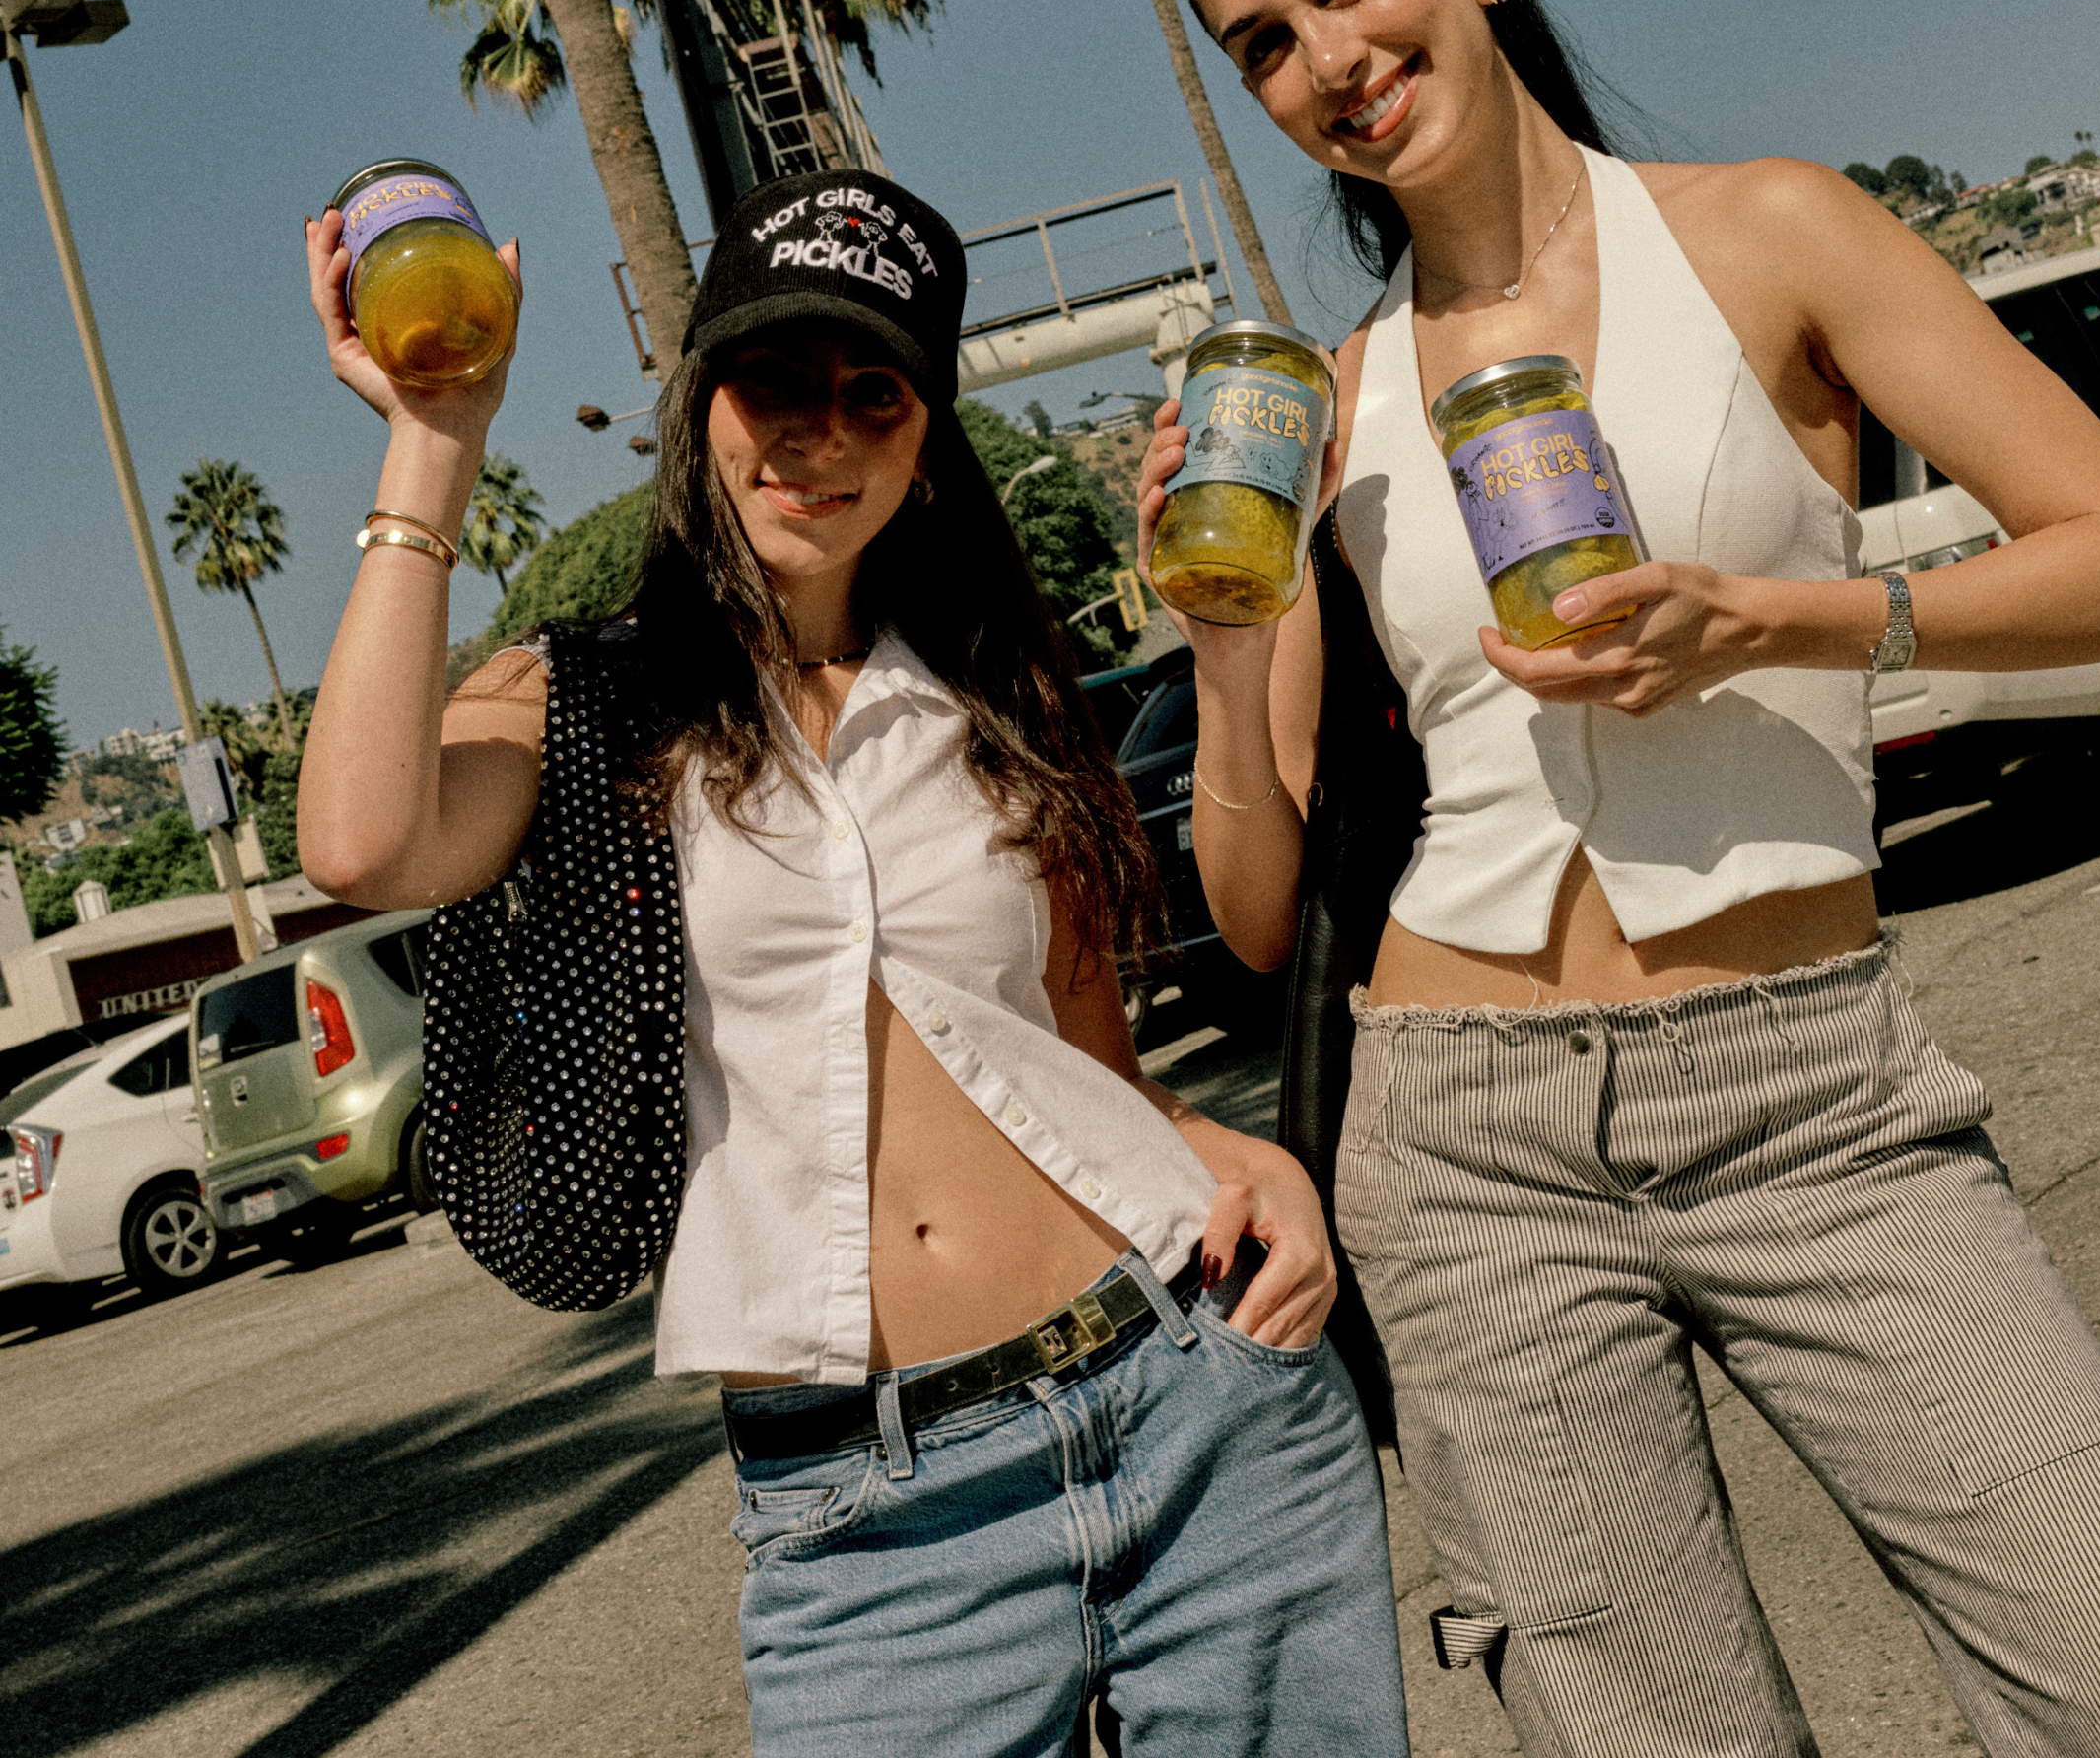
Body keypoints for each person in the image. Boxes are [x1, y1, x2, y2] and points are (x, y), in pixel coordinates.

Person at [1142, 0, 2100, 1758]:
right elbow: (1254, 909)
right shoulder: (1326, 400)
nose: (1319, 59)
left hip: (1813, 1099)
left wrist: (1778, 618)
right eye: (1260, 41)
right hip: (1461, 1153)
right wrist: (1223, 613)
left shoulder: (1763, 233)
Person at [296, 167, 1413, 1758]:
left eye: (872, 393)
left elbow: (1093, 1079)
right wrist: (434, 441)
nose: (817, 431)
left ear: (924, 448)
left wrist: (1250, 1161)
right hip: (869, 1514)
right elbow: (362, 843)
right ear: (700, 413)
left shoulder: (995, 708)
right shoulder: (591, 706)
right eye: (771, 381)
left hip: (1197, 1399)